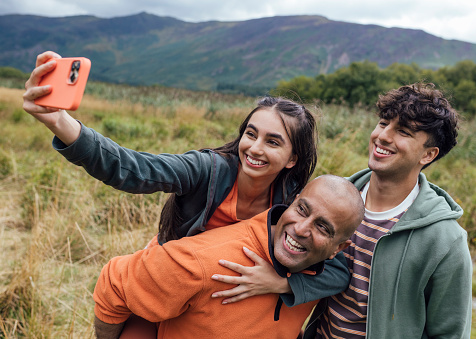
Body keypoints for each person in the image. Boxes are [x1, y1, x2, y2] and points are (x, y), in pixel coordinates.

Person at [23, 52, 351, 329]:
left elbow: (336, 269)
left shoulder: (296, 204)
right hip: (168, 278)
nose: (254, 148)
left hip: (213, 298)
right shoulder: (206, 169)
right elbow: (133, 169)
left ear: (292, 159)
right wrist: (60, 123)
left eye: (273, 141)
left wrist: (284, 283)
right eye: (251, 134)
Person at [93, 175, 365, 339]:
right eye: (302, 210)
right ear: (291, 202)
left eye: (322, 227)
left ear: (337, 249)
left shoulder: (318, 271)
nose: (302, 229)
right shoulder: (203, 261)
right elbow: (113, 283)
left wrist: (286, 286)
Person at [303, 83, 472, 338]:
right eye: (383, 123)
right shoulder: (334, 201)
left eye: (403, 131)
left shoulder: (445, 240)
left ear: (428, 154)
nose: (383, 136)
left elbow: (450, 332)